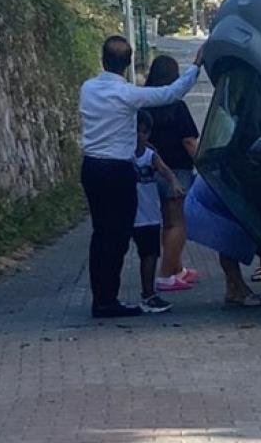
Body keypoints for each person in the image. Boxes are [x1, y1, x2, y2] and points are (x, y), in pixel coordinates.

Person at [79, 35, 202, 319]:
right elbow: (170, 94)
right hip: (118, 170)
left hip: (91, 168)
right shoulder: (127, 95)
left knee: (101, 234)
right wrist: (196, 67)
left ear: (102, 59)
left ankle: (101, 296)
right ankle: (108, 301)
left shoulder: (87, 89)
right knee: (119, 236)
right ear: (129, 61)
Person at [144, 55, 202, 293]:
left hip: (152, 169)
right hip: (177, 170)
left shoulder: (144, 103)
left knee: (166, 223)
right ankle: (167, 275)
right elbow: (189, 141)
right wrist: (203, 163)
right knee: (177, 223)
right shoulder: (177, 106)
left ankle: (176, 269)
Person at [184, 175, 261, 308]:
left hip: (214, 191)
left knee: (228, 243)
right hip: (216, 193)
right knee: (228, 243)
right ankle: (241, 290)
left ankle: (233, 290)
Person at [133, 110, 187, 314]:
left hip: (148, 215)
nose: (139, 135)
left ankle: (148, 294)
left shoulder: (149, 155)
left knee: (150, 255)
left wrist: (174, 183)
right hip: (130, 214)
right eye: (136, 130)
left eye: (144, 132)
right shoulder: (121, 154)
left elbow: (165, 170)